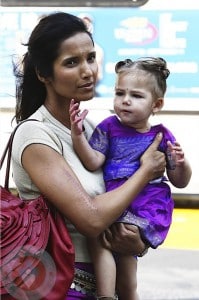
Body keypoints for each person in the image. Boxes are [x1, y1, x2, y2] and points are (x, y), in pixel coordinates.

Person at [10, 12, 167, 300]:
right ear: (44, 74)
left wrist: (138, 243)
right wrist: (146, 171)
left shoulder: (92, 130)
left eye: (91, 58)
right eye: (72, 62)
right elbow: (92, 219)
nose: (88, 71)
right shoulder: (36, 135)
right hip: (60, 288)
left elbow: (121, 205)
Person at [69, 57, 192, 299]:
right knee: (99, 238)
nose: (125, 100)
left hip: (146, 204)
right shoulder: (108, 127)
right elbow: (93, 160)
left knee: (124, 253)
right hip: (116, 200)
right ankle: (106, 295)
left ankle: (125, 293)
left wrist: (181, 162)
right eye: (119, 93)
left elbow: (180, 180)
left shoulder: (162, 135)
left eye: (136, 96)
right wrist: (78, 136)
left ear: (156, 104)